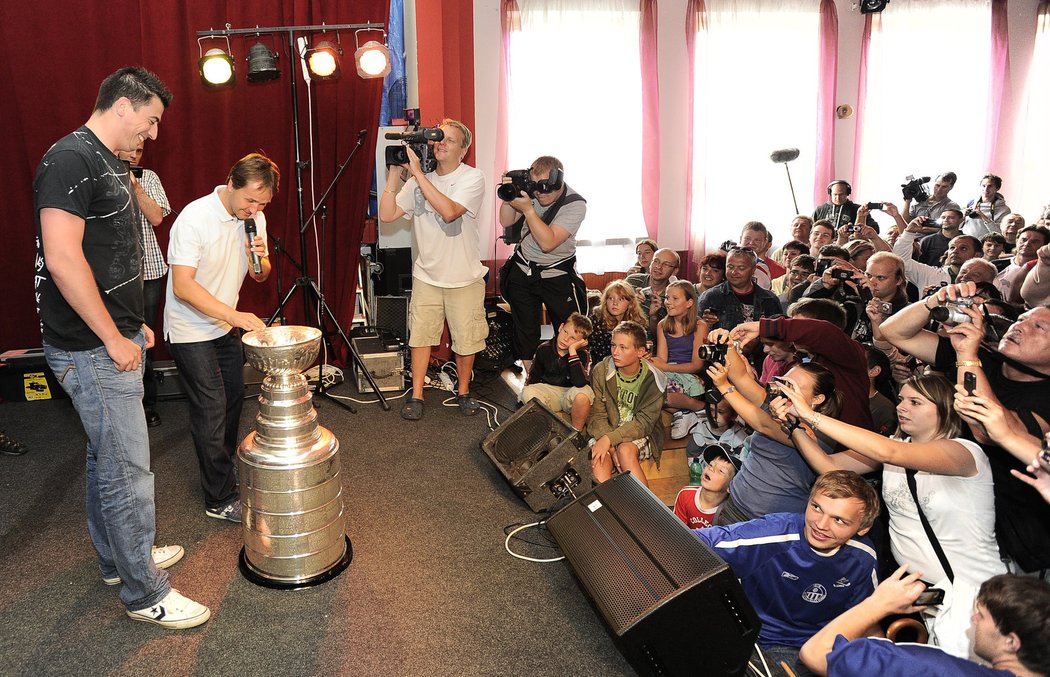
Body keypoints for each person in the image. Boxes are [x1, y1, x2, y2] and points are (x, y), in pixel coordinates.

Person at [34, 66, 209, 629]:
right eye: (151, 121)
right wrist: (112, 336)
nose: (153, 134)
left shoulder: (111, 162)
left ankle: (119, 560)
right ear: (124, 106)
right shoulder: (70, 158)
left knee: (103, 458)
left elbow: (112, 250)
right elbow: (63, 258)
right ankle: (144, 592)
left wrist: (132, 324)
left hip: (112, 336)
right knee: (127, 471)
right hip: (91, 348)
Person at [775, 372, 1005, 658]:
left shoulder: (964, 452)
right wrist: (795, 424)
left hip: (971, 592)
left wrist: (811, 415)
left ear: (945, 408)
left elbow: (890, 452)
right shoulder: (897, 446)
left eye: (915, 402)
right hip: (926, 597)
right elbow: (829, 467)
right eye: (900, 399)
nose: (901, 407)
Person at [882, 282, 1050, 573]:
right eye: (1022, 319)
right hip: (949, 518)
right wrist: (933, 301)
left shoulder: (1043, 395)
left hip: (1015, 541)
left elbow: (990, 430)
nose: (1021, 326)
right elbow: (894, 331)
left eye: (1039, 327)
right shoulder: (985, 358)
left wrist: (967, 356)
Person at [164, 153, 277, 525]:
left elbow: (260, 276)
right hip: (189, 328)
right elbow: (182, 286)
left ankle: (221, 474)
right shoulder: (195, 218)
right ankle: (218, 497)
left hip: (223, 325)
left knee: (231, 403)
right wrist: (233, 316)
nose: (255, 209)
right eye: (250, 200)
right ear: (231, 184)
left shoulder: (254, 218)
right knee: (211, 408)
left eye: (262, 203)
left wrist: (261, 260)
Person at [695, 470, 880, 677]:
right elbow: (696, 542)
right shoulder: (774, 532)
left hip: (819, 646)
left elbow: (864, 617)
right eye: (816, 507)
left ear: (863, 528)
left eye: (838, 520)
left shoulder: (864, 559)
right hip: (761, 640)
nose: (820, 524)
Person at [380, 119, 488, 420]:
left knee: (466, 339)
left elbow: (451, 212)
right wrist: (394, 176)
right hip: (427, 274)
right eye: (439, 138)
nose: (440, 143)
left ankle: (464, 391)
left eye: (449, 140)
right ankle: (416, 394)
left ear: (463, 150)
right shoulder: (417, 181)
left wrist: (416, 173)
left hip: (464, 276)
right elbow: (387, 215)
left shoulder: (472, 177)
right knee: (421, 336)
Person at [801, 569, 1050, 677]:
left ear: (1012, 641)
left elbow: (815, 653)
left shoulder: (927, 666)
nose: (973, 619)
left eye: (982, 616)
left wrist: (879, 604)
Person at [704, 334, 843, 522]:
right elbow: (741, 376)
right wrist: (728, 344)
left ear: (818, 399)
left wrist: (725, 387)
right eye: (784, 381)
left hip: (770, 522)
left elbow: (763, 425)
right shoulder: (777, 406)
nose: (782, 388)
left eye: (792, 386)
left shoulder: (817, 431)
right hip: (734, 506)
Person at [498, 156, 587, 367]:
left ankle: (567, 374)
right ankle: (532, 379)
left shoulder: (575, 204)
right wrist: (510, 195)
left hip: (557, 273)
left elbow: (548, 242)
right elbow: (506, 220)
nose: (540, 193)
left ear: (559, 181)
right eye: (536, 188)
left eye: (546, 188)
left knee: (568, 328)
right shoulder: (531, 192)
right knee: (525, 330)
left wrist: (529, 210)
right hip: (524, 269)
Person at [116, 140, 170, 428]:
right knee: (118, 334)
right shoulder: (102, 173)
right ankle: (122, 402)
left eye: (140, 152)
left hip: (148, 270)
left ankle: (148, 403)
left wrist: (135, 186)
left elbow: (158, 217)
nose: (135, 156)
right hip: (114, 274)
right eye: (131, 151)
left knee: (145, 337)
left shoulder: (148, 177)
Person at [587, 320, 667, 489]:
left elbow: (644, 424)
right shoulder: (602, 370)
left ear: (640, 351)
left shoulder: (654, 379)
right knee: (599, 459)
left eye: (623, 348)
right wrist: (608, 444)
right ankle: (605, 510)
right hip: (606, 428)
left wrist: (610, 440)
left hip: (637, 432)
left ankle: (648, 512)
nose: (615, 352)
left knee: (625, 451)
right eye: (613, 345)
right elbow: (597, 415)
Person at [647, 281, 709, 435]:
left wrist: (665, 367)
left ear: (689, 302)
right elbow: (662, 359)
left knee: (658, 392)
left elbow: (696, 365)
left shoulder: (700, 326)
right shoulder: (663, 325)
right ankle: (683, 412)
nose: (668, 302)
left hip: (690, 376)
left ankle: (698, 406)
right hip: (669, 374)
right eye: (667, 298)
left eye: (675, 298)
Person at [520, 312, 593, 430]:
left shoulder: (583, 354)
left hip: (570, 394)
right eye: (565, 332)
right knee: (528, 392)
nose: (565, 339)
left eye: (573, 338)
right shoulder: (544, 349)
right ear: (560, 327)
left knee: (584, 393)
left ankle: (576, 432)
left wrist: (573, 351)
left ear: (582, 342)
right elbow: (533, 377)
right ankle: (550, 426)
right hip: (549, 393)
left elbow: (580, 382)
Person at [697, 246, 783, 341]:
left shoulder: (770, 299)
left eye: (741, 268)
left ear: (753, 270)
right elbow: (695, 335)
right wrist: (706, 325)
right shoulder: (710, 297)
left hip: (761, 354)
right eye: (730, 267)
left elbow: (779, 336)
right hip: (724, 353)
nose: (734, 272)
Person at [673, 443, 740, 528]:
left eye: (721, 471)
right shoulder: (685, 495)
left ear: (730, 487)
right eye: (711, 464)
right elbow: (677, 532)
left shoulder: (729, 512)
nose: (711, 468)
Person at [588, 279, 646, 364]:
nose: (615, 303)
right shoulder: (596, 320)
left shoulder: (636, 322)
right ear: (605, 300)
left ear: (630, 303)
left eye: (621, 299)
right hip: (601, 365)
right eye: (611, 298)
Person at [638, 248, 680, 339]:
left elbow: (665, 337)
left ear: (674, 271)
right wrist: (630, 300)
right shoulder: (633, 280)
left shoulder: (675, 296)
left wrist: (654, 316)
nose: (658, 267)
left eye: (666, 264)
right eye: (656, 261)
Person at [963, 174, 1011, 238]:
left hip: (987, 244)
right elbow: (959, 226)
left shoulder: (1004, 210)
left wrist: (984, 217)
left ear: (997, 188)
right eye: (983, 186)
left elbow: (1000, 233)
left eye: (990, 186)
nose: (986, 189)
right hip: (967, 240)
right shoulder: (971, 203)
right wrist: (963, 216)